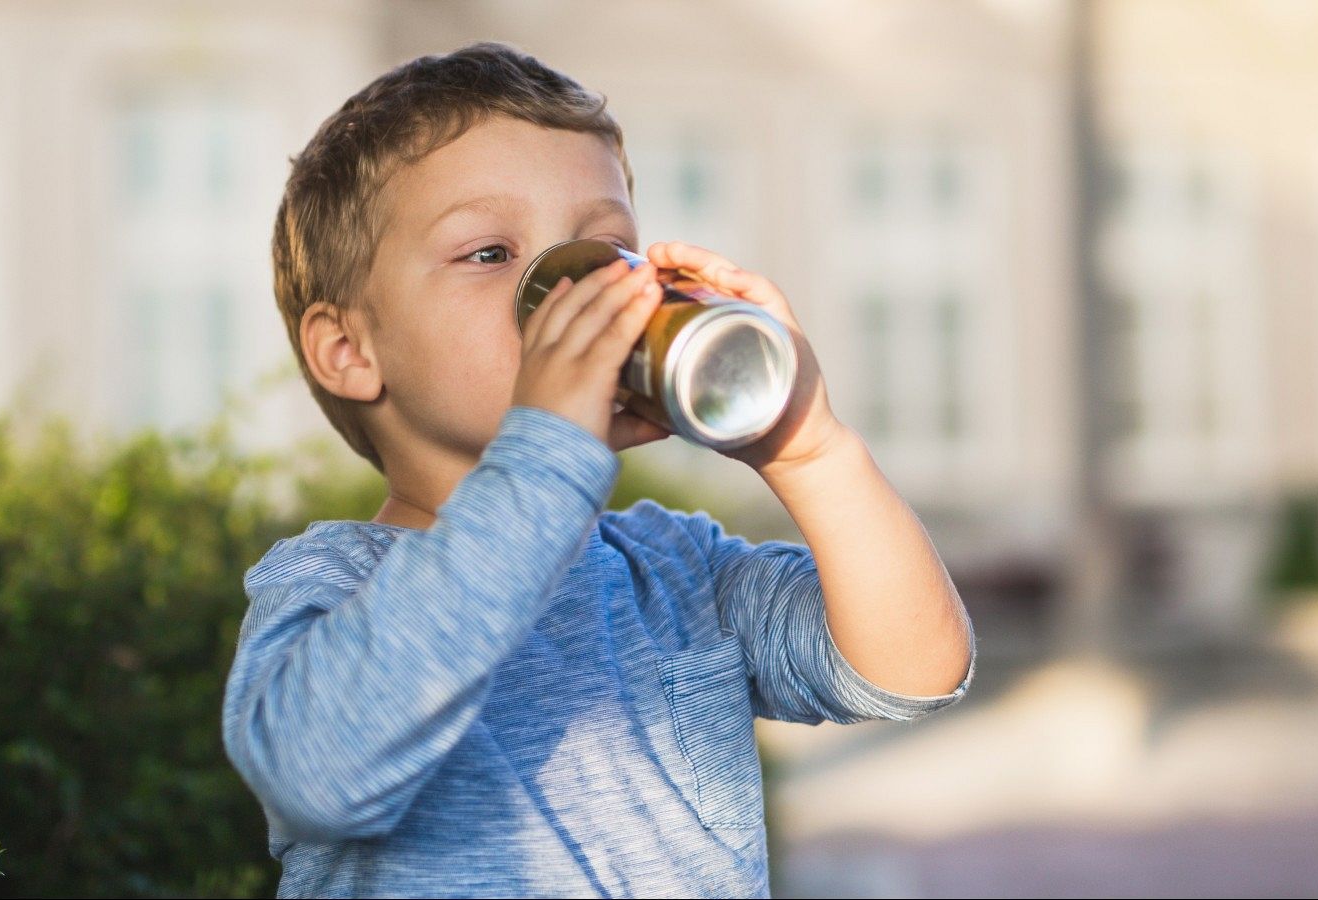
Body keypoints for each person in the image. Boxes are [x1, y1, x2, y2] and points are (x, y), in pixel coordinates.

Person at [219, 40, 976, 899]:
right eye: (491, 254)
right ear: (350, 349)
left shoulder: (676, 572)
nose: (572, 294)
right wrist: (544, 448)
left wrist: (811, 448)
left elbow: (912, 672)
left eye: (604, 252)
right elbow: (321, 775)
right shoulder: (329, 584)